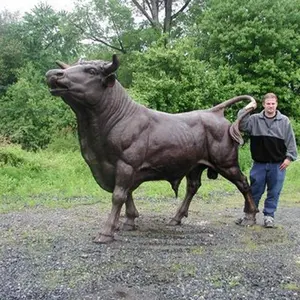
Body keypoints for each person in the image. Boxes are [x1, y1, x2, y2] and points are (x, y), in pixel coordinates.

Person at [236, 92, 298, 228]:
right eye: (268, 103)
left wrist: (289, 158)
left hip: (278, 165)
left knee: (274, 191)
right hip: (259, 164)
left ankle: (269, 216)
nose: (271, 106)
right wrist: (248, 108)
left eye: (273, 103)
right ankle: (249, 215)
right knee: (254, 191)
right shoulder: (254, 119)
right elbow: (241, 124)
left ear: (276, 104)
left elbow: (291, 142)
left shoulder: (284, 121)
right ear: (263, 104)